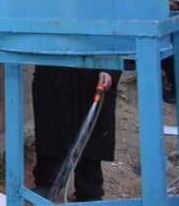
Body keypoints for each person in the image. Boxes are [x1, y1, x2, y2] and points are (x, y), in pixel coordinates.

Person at [32, 69, 118, 201]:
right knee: (51, 124)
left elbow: (118, 49)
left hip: (94, 65)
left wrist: (109, 70)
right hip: (55, 63)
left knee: (91, 133)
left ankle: (89, 189)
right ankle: (47, 181)